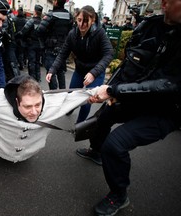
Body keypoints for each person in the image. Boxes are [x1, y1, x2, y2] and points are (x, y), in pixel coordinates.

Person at [80, 0, 181, 215]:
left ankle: (119, 194)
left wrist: (116, 91)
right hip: (135, 97)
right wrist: (110, 89)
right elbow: (128, 65)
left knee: (115, 145)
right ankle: (96, 151)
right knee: (103, 117)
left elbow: (167, 85)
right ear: (165, 3)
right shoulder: (148, 26)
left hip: (165, 109)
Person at [0, 75, 99, 162]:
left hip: (28, 154)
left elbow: (77, 97)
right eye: (27, 106)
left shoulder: (52, 104)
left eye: (38, 104)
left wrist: (100, 93)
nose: (34, 112)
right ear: (16, 102)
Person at [46, 6, 114, 124]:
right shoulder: (72, 34)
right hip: (80, 70)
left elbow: (109, 54)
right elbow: (63, 54)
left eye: (86, 21)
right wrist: (52, 70)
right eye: (79, 20)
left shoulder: (100, 33)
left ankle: (79, 124)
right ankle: (70, 108)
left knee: (87, 99)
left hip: (96, 72)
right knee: (71, 94)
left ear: (92, 20)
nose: (81, 25)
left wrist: (94, 73)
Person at [37, 0, 73, 90]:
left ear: (56, 2)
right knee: (61, 73)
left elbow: (39, 30)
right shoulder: (69, 16)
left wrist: (45, 41)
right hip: (63, 49)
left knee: (51, 73)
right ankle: (63, 93)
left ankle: (54, 95)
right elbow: (72, 32)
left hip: (51, 49)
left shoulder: (51, 15)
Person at [16, 5, 44, 82]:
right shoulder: (43, 22)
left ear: (35, 11)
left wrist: (18, 37)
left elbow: (23, 31)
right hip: (40, 45)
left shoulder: (31, 21)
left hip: (31, 44)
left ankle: (32, 80)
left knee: (31, 62)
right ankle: (38, 79)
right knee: (37, 62)